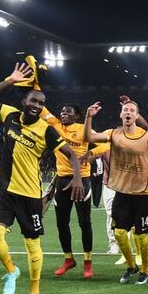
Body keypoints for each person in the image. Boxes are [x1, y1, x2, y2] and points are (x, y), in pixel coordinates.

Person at [0, 62, 85, 294]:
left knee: (32, 245)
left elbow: (71, 154)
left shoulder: (47, 130)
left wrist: (78, 177)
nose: (37, 105)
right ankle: (11, 270)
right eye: (34, 101)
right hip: (6, 192)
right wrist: (10, 80)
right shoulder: (9, 115)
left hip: (30, 196)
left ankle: (34, 293)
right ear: (24, 102)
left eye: (41, 102)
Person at [84, 99, 148, 286]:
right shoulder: (113, 134)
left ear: (136, 116)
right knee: (119, 233)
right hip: (122, 192)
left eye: (132, 110)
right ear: (121, 114)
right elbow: (89, 138)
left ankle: (145, 270)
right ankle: (131, 266)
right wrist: (88, 117)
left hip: (143, 193)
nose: (128, 112)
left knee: (141, 235)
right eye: (125, 110)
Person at [42, 103, 108, 279]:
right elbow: (41, 108)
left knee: (84, 222)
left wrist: (91, 153)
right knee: (61, 223)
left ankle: (88, 262)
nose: (63, 113)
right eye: (62, 111)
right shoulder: (55, 125)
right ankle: (68, 259)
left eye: (68, 112)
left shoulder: (83, 129)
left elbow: (106, 145)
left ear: (77, 116)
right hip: (62, 180)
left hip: (82, 180)